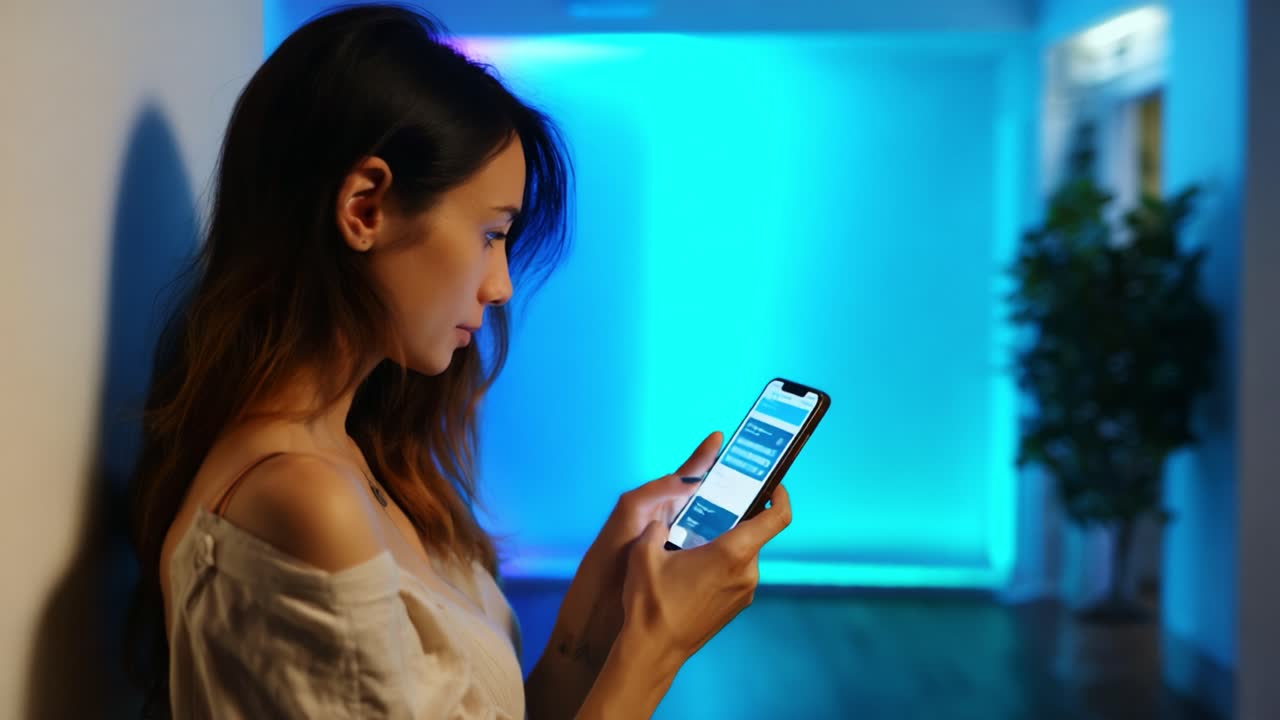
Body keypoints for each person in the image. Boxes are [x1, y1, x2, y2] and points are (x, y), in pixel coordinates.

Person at [124, 5, 791, 718]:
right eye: (491, 234)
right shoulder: (305, 503)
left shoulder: (360, 459)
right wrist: (658, 645)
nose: (501, 286)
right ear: (365, 208)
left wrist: (594, 618)